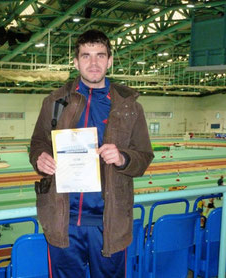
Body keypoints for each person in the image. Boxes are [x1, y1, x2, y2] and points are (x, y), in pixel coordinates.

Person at [29, 29, 154, 278]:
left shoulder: (130, 108)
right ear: (76, 62)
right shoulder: (54, 102)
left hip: (109, 221)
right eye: (86, 56)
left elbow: (144, 156)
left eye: (100, 55)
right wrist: (40, 158)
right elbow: (38, 142)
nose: (94, 63)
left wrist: (123, 158)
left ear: (110, 60)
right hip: (63, 220)